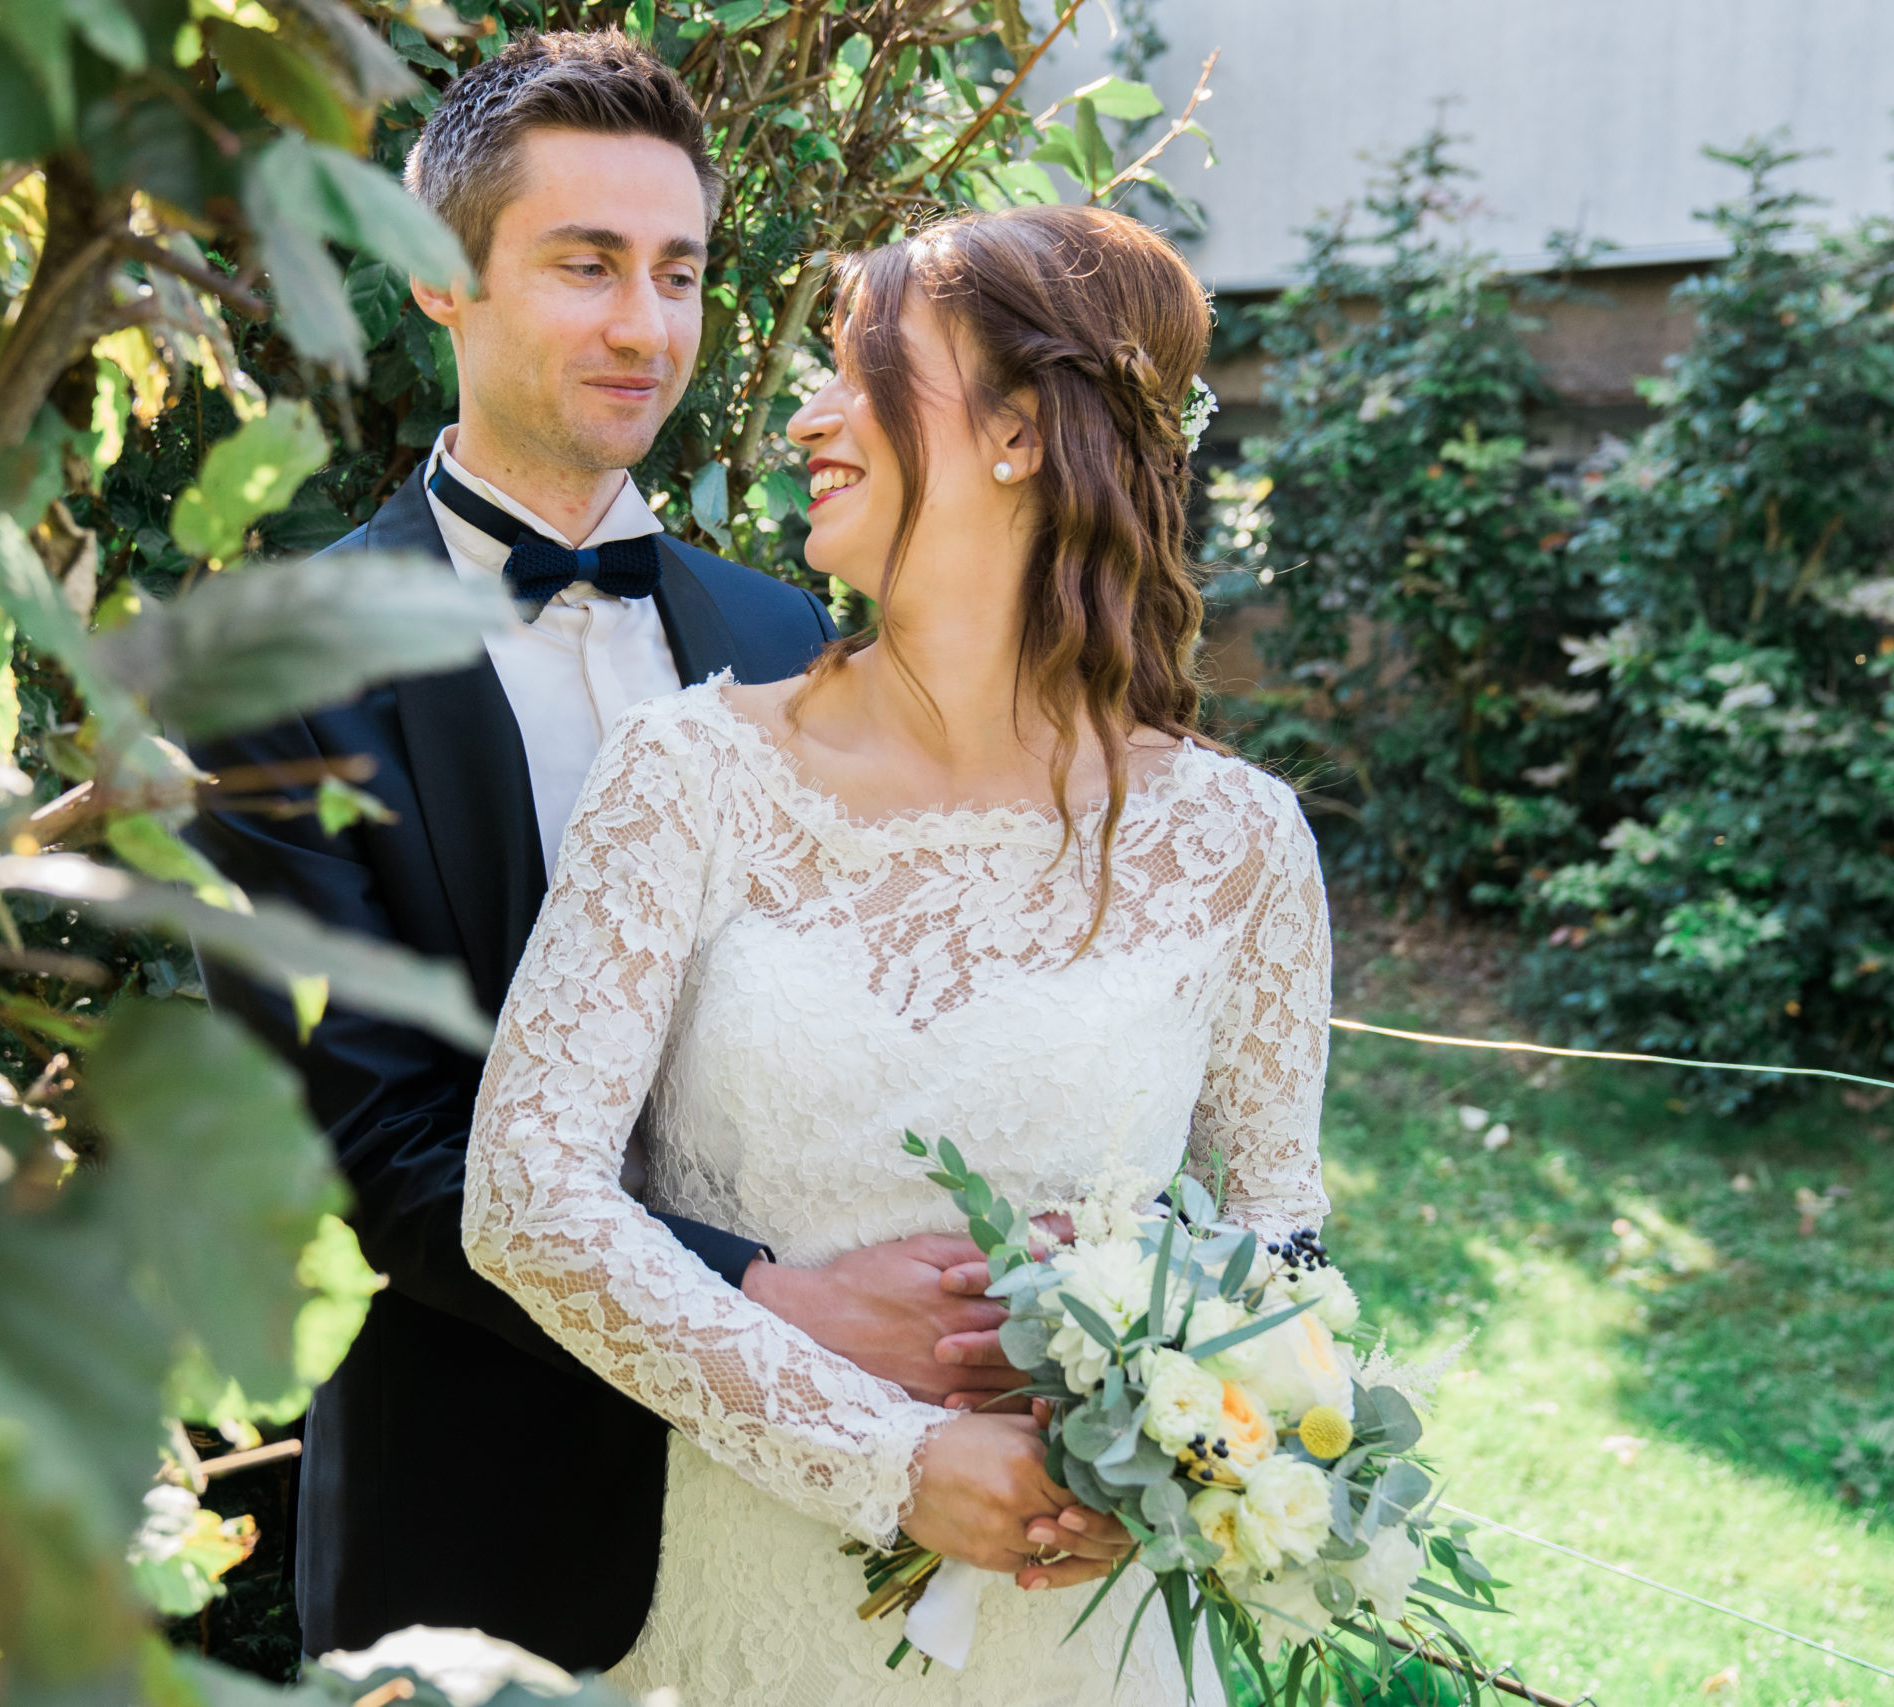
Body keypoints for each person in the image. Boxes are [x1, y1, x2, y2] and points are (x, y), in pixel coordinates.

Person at [188, 31, 1033, 1674]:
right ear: (440, 278)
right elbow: (367, 1145)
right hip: (480, 1516)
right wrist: (767, 1302)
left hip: (821, 1500)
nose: (648, 327)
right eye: (587, 266)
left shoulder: (787, 635)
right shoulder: (276, 670)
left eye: (679, 271)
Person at [461, 202, 1332, 1702]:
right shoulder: (689, 774)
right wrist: (891, 1461)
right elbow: (525, 1197)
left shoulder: (1237, 841)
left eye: (863, 372)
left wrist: (1164, 1418)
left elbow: (1282, 1239)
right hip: (747, 1606)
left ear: (1016, 433)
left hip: (1083, 1632)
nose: (809, 417)